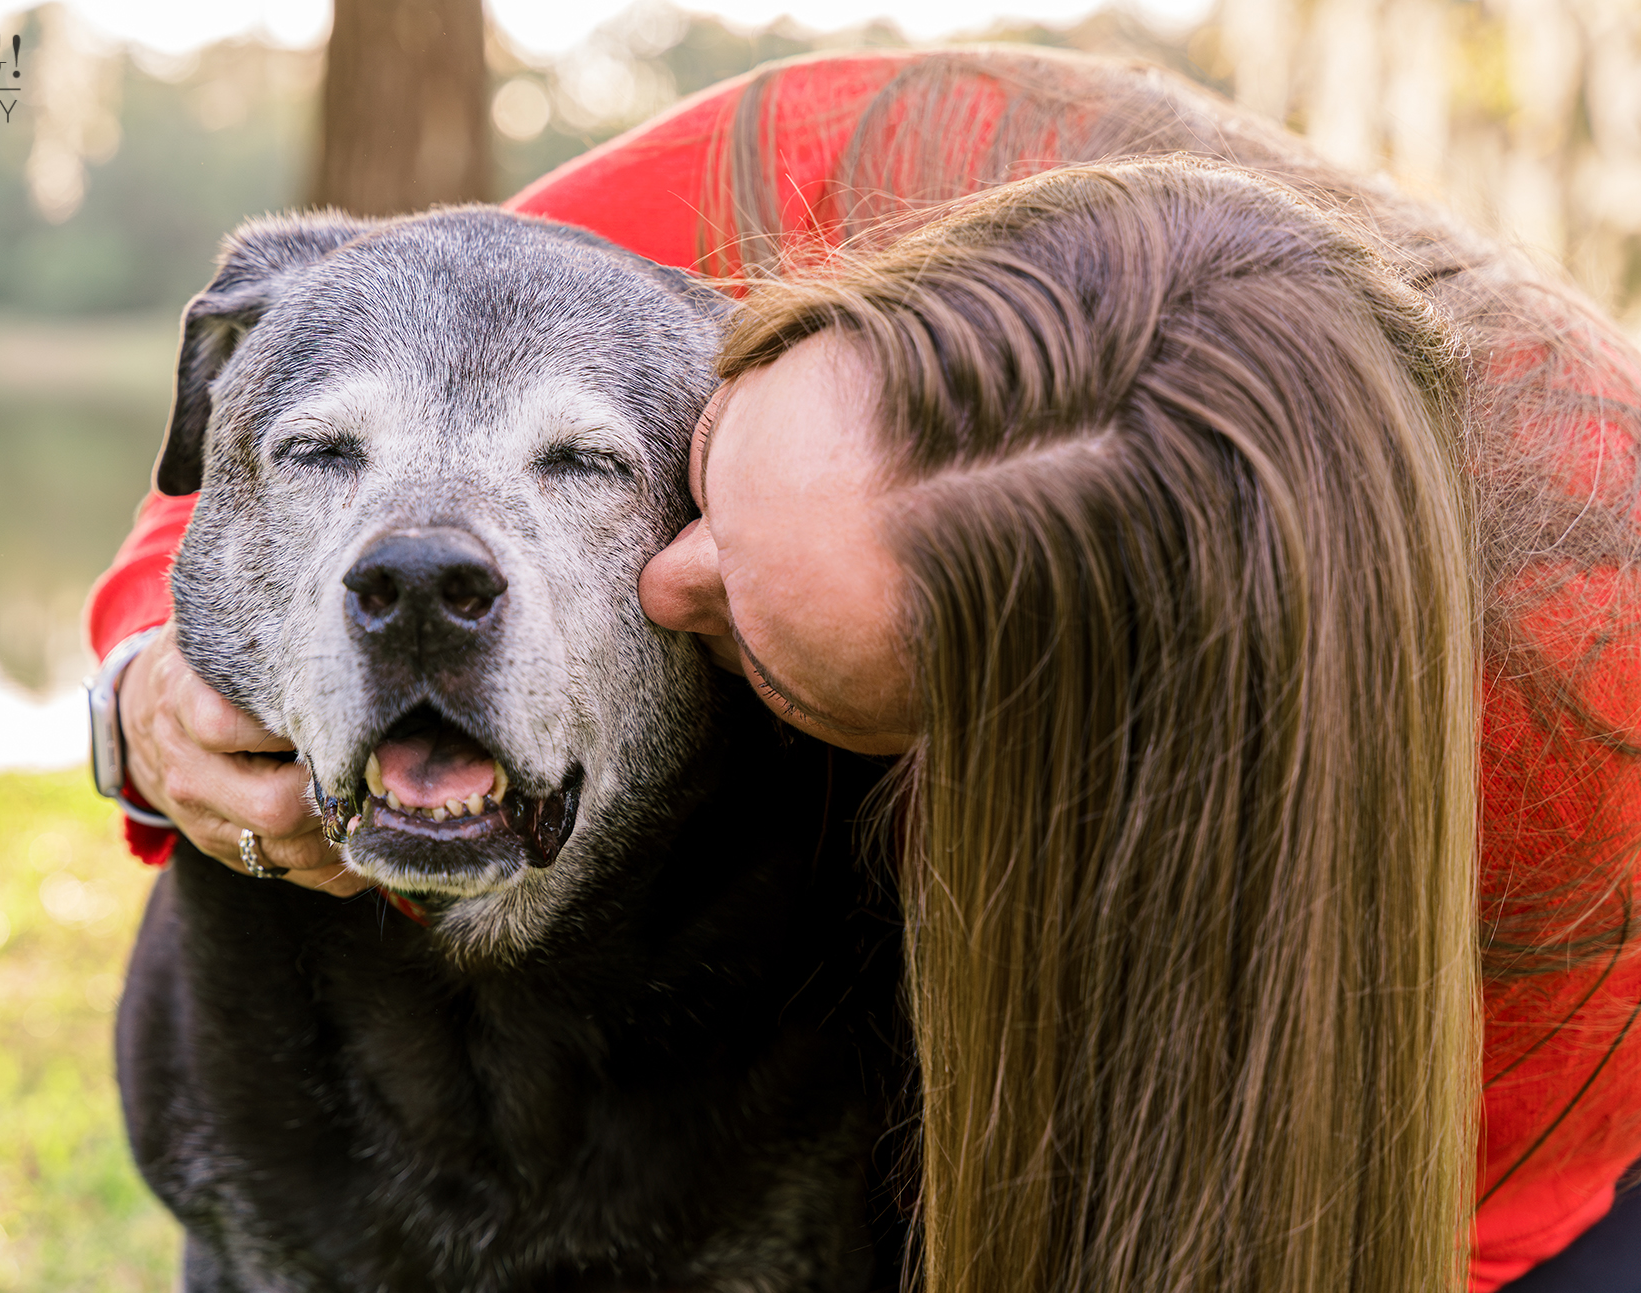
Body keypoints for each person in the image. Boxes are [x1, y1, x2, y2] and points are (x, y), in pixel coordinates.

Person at [86, 48, 1641, 1292]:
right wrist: (151, 696)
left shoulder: (1561, 755)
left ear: (1003, 747)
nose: (664, 581)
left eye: (758, 637)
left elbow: (1345, 1223)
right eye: (709, 476)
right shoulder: (806, 158)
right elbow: (322, 371)